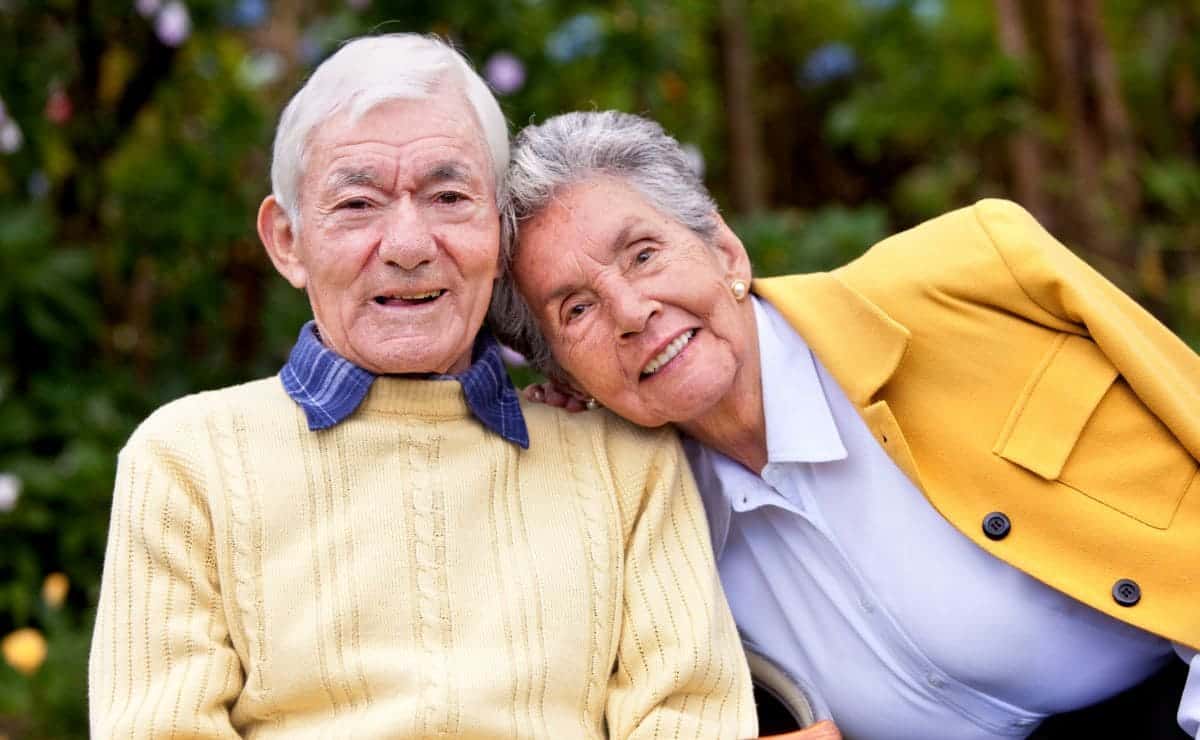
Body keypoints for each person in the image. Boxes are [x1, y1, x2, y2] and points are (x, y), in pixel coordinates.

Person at [87, 38, 758, 739]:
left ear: (499, 237)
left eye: (448, 196)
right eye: (357, 203)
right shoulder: (188, 461)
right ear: (287, 240)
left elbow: (691, 718)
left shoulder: (623, 461)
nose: (408, 245)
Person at [491, 110, 1200, 739]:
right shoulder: (642, 516)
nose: (631, 311)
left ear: (725, 250)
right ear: (563, 374)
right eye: (575, 309)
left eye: (643, 254)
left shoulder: (976, 276)